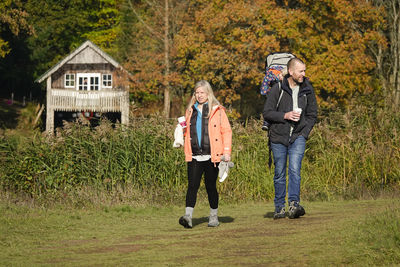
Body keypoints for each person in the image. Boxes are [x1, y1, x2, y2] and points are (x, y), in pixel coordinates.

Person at [263, 58, 318, 219]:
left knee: (295, 170)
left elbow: (312, 114)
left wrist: (305, 133)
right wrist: (284, 115)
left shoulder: (307, 88)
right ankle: (279, 207)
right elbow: (267, 113)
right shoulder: (277, 88)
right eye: (301, 71)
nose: (304, 74)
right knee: (279, 172)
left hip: (298, 136)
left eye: (304, 71)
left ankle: (294, 204)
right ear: (291, 72)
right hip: (278, 137)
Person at [179, 80, 232, 228]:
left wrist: (226, 152)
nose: (199, 95)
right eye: (197, 92)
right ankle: (188, 217)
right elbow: (188, 132)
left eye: (202, 92)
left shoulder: (218, 110)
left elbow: (226, 131)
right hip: (194, 154)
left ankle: (213, 216)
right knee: (192, 186)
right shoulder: (190, 110)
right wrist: (180, 133)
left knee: (210, 186)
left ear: (208, 93)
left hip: (212, 156)